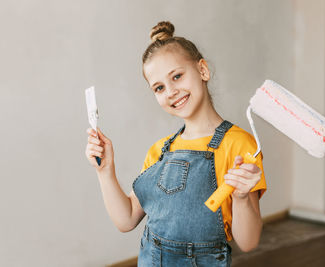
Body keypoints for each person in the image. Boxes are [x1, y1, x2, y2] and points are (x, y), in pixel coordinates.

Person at [86, 21, 267, 267]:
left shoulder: (239, 145)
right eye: (159, 87)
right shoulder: (160, 151)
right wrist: (105, 170)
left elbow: (248, 242)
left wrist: (242, 197)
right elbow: (126, 219)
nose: (171, 91)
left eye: (177, 76)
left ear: (202, 70)